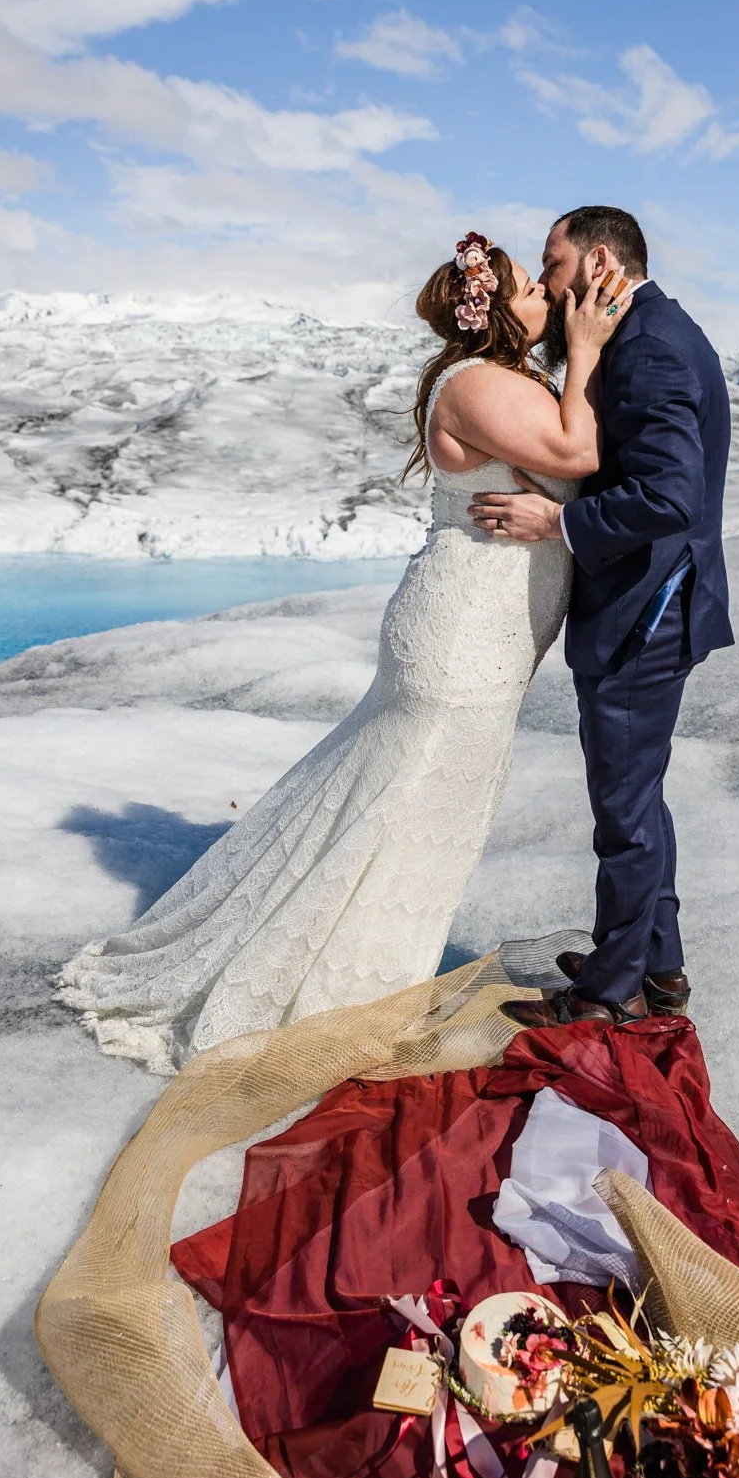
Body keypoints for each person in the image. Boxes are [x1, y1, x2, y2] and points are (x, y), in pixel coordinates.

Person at [56, 235, 632, 1073]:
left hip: (487, 634)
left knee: (419, 809)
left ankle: (362, 982)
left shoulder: (504, 379)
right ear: (494, 313)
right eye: (530, 287)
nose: (548, 292)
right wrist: (586, 349)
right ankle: (336, 1004)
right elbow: (579, 455)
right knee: (410, 813)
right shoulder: (477, 383)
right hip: (462, 635)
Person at [468, 206, 733, 1029]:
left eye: (553, 265)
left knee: (623, 814)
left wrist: (558, 522)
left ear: (600, 262)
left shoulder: (649, 347)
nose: (547, 284)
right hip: (649, 602)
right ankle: (658, 966)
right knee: (637, 799)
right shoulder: (645, 330)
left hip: (644, 610)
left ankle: (607, 993)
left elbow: (670, 494)